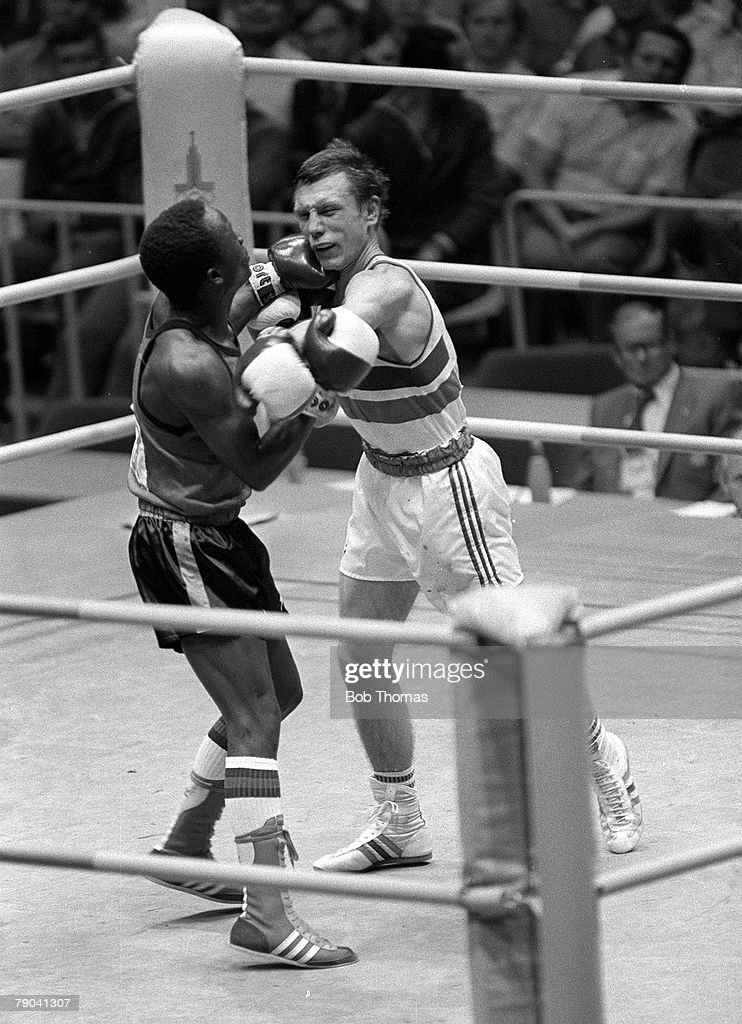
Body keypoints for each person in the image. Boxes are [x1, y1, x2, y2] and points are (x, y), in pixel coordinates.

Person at [127, 196, 357, 968]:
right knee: (257, 719)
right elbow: (256, 465)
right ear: (214, 272)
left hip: (217, 534)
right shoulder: (186, 360)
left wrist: (288, 289)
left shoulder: (186, 293)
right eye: (236, 242)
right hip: (188, 541)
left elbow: (259, 278)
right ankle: (266, 910)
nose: (251, 246)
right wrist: (315, 394)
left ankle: (188, 843)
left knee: (280, 696)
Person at [514, 20, 697, 344]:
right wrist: (561, 227)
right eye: (647, 58)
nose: (655, 71)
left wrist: (585, 231)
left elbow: (650, 204)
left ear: (680, 75)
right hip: (551, 211)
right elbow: (533, 170)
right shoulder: (574, 91)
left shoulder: (680, 125)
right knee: (539, 260)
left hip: (617, 225)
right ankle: (533, 359)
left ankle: (603, 360)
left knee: (595, 265)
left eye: (668, 65)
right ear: (626, 58)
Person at [569, 299, 742, 505]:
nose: (641, 358)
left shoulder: (714, 395)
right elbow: (584, 486)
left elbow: (732, 483)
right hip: (616, 528)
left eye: (649, 346)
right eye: (632, 349)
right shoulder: (605, 407)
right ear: (616, 356)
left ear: (671, 343)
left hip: (689, 529)